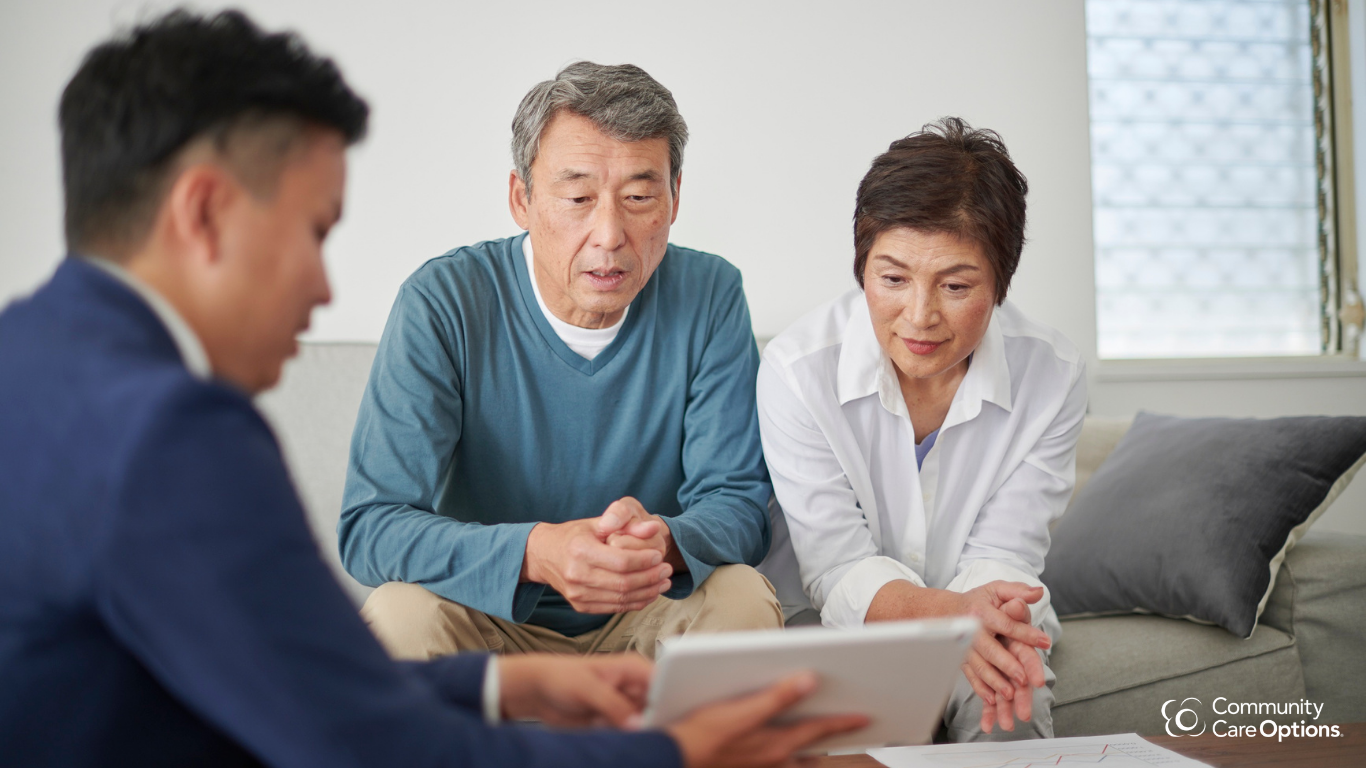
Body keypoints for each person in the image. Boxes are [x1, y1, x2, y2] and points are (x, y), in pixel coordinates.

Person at [0, 10, 864, 767]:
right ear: (203, 212)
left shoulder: (31, 363)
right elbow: (361, 735)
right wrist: (672, 751)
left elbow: (312, 686)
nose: (324, 292)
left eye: (640, 195)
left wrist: (503, 686)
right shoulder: (173, 433)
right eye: (314, 231)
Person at [340, 61, 781, 661]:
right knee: (397, 615)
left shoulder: (710, 293)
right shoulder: (442, 301)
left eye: (639, 197)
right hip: (487, 616)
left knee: (742, 598)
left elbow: (738, 504)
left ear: (675, 199)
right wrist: (535, 552)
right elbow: (372, 525)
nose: (609, 234)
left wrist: (663, 542)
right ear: (521, 199)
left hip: (646, 611)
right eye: (577, 197)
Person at [756, 118, 1088, 742]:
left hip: (984, 610)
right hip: (845, 625)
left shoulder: (1053, 373)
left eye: (957, 286)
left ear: (1001, 283)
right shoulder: (798, 371)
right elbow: (836, 568)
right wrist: (948, 617)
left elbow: (1006, 556)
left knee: (1009, 699)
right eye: (892, 279)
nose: (920, 316)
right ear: (862, 268)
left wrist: (974, 625)